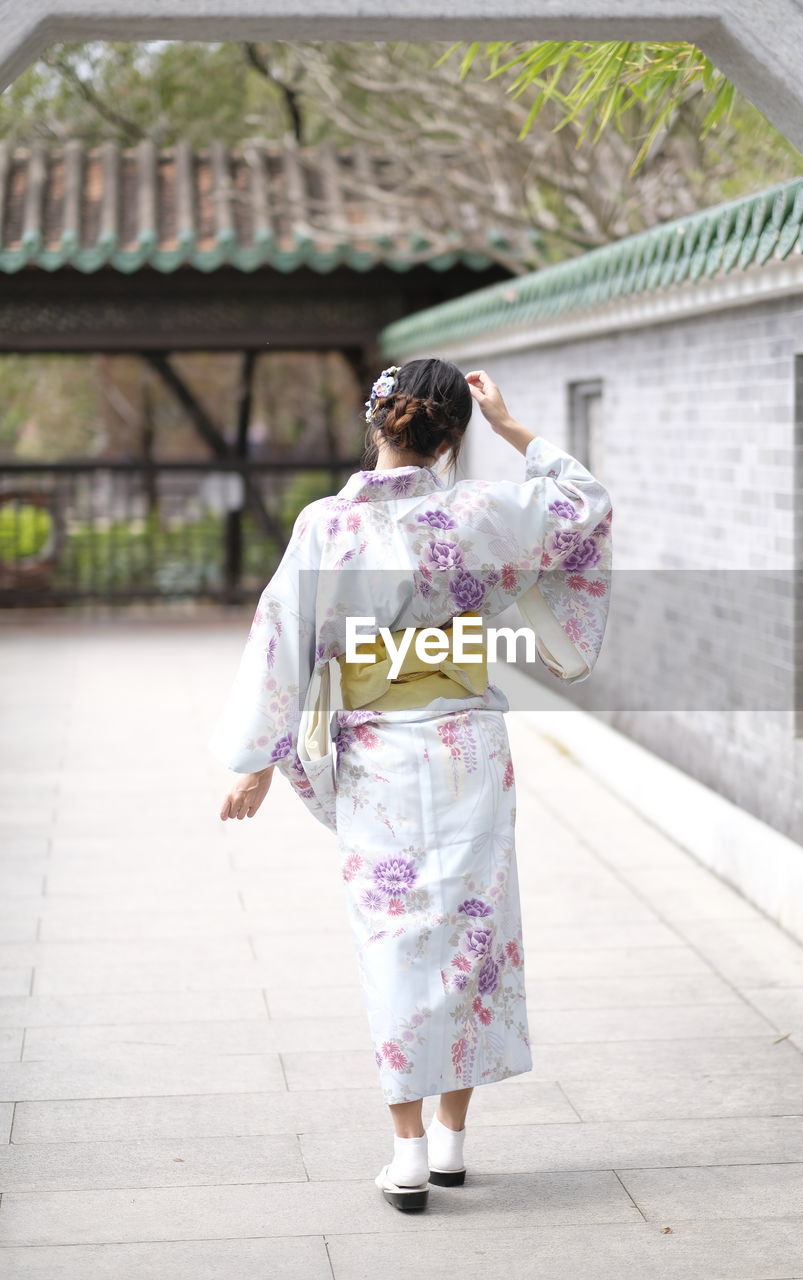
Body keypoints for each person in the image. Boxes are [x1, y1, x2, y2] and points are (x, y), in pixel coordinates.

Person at [208, 357, 613, 1213]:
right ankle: (456, 1142)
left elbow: (281, 637)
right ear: (452, 433)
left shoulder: (327, 527)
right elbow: (586, 503)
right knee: (472, 932)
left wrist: (255, 763)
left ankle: (410, 1155)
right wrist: (512, 430)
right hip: (467, 743)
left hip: (380, 757)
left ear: (377, 421)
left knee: (395, 941)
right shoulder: (482, 513)